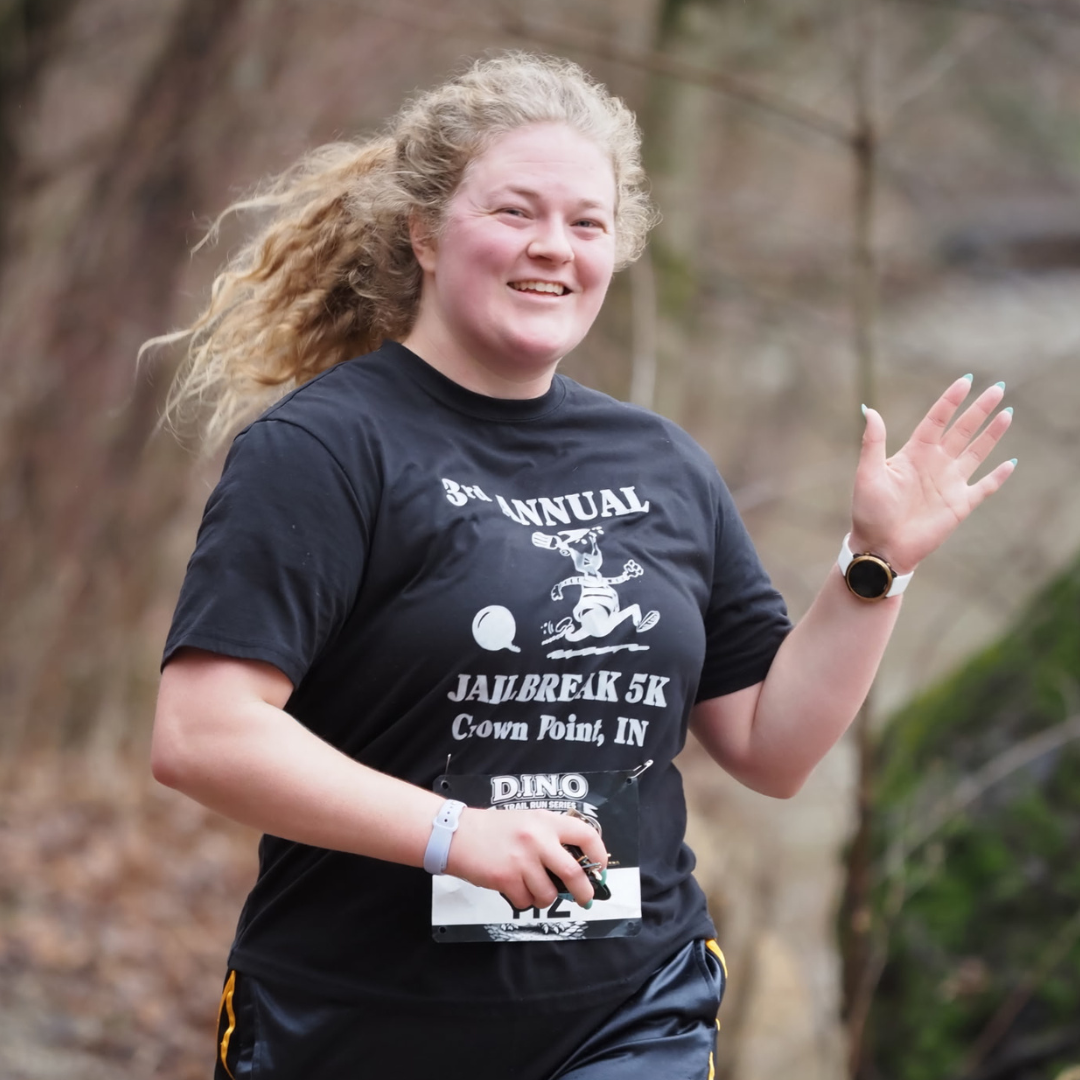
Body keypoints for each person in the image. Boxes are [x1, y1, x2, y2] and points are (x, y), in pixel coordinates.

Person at [148, 52, 1014, 1080]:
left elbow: (771, 747)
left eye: (587, 224)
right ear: (425, 233)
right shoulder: (326, 450)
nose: (554, 249)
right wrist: (452, 834)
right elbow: (203, 735)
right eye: (516, 213)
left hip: (626, 1009)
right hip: (357, 1018)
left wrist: (874, 566)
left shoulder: (662, 463)